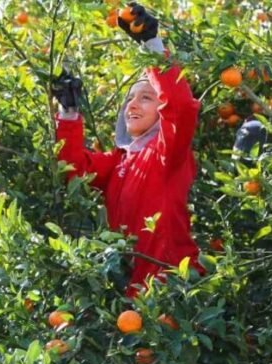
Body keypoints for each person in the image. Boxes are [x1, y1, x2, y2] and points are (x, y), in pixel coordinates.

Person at [52, 2, 206, 296]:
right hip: (136, 295)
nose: (133, 105)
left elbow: (181, 107)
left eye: (146, 98)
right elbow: (73, 172)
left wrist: (152, 46)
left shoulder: (168, 154)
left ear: (161, 107)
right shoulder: (119, 162)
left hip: (174, 286)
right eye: (130, 99)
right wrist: (68, 112)